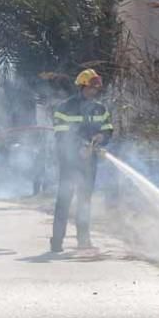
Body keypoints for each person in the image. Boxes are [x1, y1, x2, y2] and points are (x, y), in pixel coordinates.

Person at [50, 69, 113, 253]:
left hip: (89, 164)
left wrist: (102, 136)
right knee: (64, 201)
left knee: (85, 202)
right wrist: (79, 148)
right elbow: (61, 134)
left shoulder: (100, 108)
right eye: (92, 87)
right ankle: (57, 242)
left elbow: (108, 128)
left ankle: (83, 241)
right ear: (83, 86)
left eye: (96, 89)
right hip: (70, 163)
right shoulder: (65, 107)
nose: (95, 91)